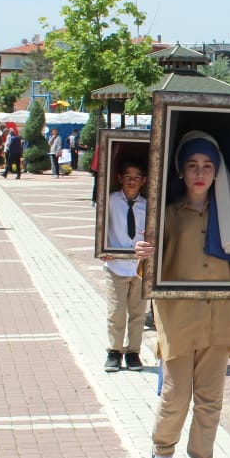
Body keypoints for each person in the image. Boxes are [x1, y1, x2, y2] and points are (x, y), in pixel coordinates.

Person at [143, 131, 230, 458]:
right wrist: (144, 254)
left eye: (207, 166)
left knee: (210, 400)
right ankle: (162, 453)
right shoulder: (168, 215)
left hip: (219, 318)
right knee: (175, 394)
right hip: (179, 317)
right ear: (181, 171)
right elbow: (151, 272)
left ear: (217, 171)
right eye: (192, 165)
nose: (200, 173)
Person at [102, 158, 150, 372]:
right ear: (120, 178)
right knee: (116, 312)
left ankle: (133, 352)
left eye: (136, 178)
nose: (132, 181)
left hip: (139, 268)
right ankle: (114, 351)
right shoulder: (110, 201)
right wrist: (102, 249)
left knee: (138, 313)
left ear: (143, 181)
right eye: (128, 177)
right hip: (116, 266)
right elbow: (101, 227)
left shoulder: (148, 205)